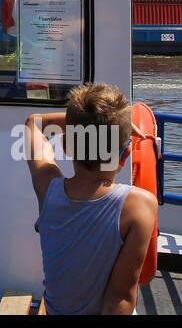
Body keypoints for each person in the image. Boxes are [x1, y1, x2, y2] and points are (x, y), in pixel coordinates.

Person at [22, 83, 157, 315]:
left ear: (66, 146)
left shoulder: (48, 187)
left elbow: (33, 123)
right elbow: (121, 297)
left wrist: (85, 126)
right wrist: (116, 127)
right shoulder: (139, 206)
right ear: (125, 154)